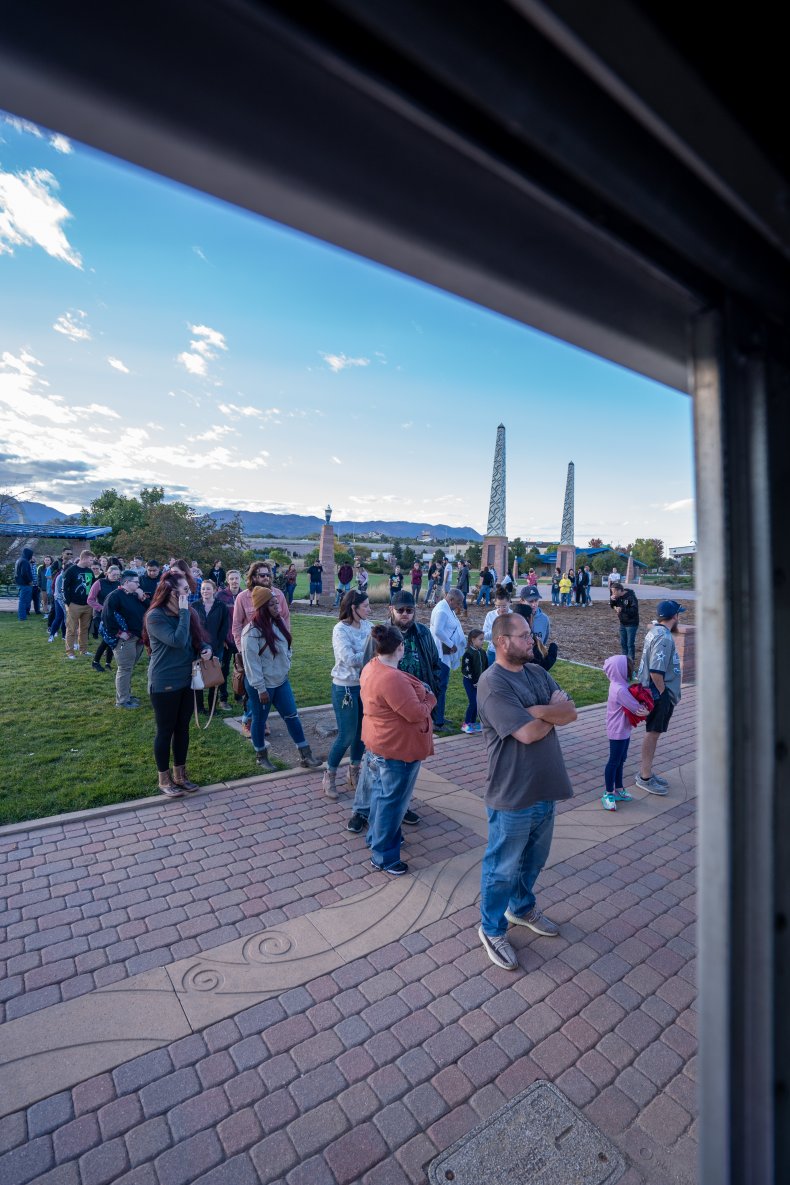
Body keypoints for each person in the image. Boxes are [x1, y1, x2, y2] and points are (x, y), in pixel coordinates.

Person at [476, 613, 577, 971]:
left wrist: (536, 711)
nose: (531, 641)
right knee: (502, 866)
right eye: (523, 636)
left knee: (533, 860)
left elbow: (570, 713)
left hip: (545, 788)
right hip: (512, 792)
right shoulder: (491, 683)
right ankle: (491, 928)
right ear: (502, 642)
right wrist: (550, 713)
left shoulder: (536, 672)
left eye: (531, 635)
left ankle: (520, 908)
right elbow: (528, 734)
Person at [346, 590, 440, 834]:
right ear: (391, 610)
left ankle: (401, 805)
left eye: (410, 610)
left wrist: (431, 700)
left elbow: (433, 665)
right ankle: (362, 809)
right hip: (386, 712)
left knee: (405, 766)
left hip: (413, 710)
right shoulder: (381, 635)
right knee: (373, 764)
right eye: (401, 610)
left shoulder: (423, 634)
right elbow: (368, 670)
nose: (406, 614)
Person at [360, 624, 436, 875]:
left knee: (382, 797)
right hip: (396, 749)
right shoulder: (391, 677)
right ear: (400, 647)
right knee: (393, 803)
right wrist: (430, 697)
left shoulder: (372, 667)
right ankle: (384, 856)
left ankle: (376, 838)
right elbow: (415, 713)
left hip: (379, 743)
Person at [143, 571, 213, 797]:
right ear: (172, 593)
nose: (190, 593)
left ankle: (180, 775)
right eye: (185, 590)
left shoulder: (187, 613)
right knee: (165, 730)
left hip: (186, 679)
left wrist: (205, 648)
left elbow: (193, 638)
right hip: (164, 682)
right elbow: (177, 640)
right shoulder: (155, 616)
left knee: (182, 728)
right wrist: (184, 612)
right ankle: (164, 779)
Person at [241, 586, 321, 772]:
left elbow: (287, 647)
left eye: (277, 602)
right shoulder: (251, 632)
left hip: (281, 680)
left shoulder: (279, 623)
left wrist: (287, 663)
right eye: (272, 604)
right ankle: (261, 756)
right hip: (261, 686)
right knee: (259, 721)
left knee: (292, 716)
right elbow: (251, 664)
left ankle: (305, 754)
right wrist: (260, 688)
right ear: (262, 607)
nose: (278, 606)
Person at [232, 562, 290, 736]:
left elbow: (285, 619)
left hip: (273, 652)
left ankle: (261, 721)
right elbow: (236, 625)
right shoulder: (243, 597)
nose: (266, 578)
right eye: (261, 575)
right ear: (253, 577)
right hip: (251, 651)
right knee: (253, 689)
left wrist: (286, 645)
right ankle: (248, 720)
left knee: (273, 687)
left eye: (268, 575)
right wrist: (242, 650)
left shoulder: (278, 595)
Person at [325, 590, 372, 800]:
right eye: (366, 606)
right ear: (353, 608)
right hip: (345, 687)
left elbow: (374, 651)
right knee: (347, 734)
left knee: (362, 733)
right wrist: (372, 653)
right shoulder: (340, 630)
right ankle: (329, 775)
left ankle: (353, 771)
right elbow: (349, 659)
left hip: (365, 685)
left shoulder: (368, 626)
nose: (369, 610)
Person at [634, 600, 685, 795]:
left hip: (653, 691)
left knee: (653, 732)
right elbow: (656, 671)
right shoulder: (663, 637)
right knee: (653, 733)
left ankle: (646, 773)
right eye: (679, 614)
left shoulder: (655, 631)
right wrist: (663, 694)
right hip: (658, 692)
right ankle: (645, 777)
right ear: (675, 616)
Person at [601, 655, 650, 811]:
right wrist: (647, 709)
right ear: (621, 670)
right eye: (628, 668)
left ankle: (619, 789)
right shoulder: (620, 689)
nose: (631, 670)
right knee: (614, 761)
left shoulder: (618, 684)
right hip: (617, 730)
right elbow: (636, 708)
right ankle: (608, 793)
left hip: (623, 729)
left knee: (621, 759)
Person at [101, 570, 149, 708]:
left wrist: (142, 597)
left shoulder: (135, 595)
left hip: (137, 637)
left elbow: (150, 608)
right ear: (127, 582)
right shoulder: (115, 596)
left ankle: (126, 695)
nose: (139, 584)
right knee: (125, 668)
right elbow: (106, 616)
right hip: (125, 639)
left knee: (129, 668)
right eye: (136, 582)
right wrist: (118, 633)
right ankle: (122, 701)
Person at [429, 587, 466, 730]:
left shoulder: (446, 607)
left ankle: (439, 715)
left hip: (443, 653)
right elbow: (438, 630)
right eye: (457, 603)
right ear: (450, 600)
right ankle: (437, 722)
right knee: (441, 687)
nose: (459, 606)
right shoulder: (442, 610)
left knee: (442, 686)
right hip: (440, 654)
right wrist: (451, 644)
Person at [194, 579, 229, 715]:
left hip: (216, 647)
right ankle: (200, 707)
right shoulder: (194, 606)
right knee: (198, 679)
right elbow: (192, 628)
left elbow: (223, 628)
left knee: (213, 679)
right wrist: (199, 647)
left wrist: (213, 648)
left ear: (214, 590)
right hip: (197, 648)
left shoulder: (221, 607)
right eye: (203, 589)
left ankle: (212, 707)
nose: (205, 591)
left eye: (208, 589)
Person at [216, 569, 242, 710]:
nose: (234, 581)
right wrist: (222, 638)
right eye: (231, 578)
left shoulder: (244, 595)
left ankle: (239, 695)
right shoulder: (220, 596)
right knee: (224, 670)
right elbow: (217, 619)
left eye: (236, 578)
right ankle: (223, 698)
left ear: (240, 579)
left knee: (240, 670)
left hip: (240, 640)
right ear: (227, 580)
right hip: (225, 641)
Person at [63, 550, 96, 657]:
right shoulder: (71, 570)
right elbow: (64, 587)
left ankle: (84, 650)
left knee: (84, 629)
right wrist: (69, 603)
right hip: (74, 605)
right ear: (85, 558)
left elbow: (91, 587)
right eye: (91, 560)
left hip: (87, 605)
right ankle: (70, 652)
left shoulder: (89, 571)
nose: (92, 562)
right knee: (71, 629)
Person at [88, 564, 121, 671]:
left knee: (112, 638)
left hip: (113, 616)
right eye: (113, 574)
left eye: (118, 575)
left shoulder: (118, 584)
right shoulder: (99, 583)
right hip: (99, 616)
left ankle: (107, 663)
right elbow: (90, 600)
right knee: (107, 639)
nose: (116, 577)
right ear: (107, 573)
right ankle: (95, 662)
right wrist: (102, 608)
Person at [522, 587, 558, 670]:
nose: (534, 604)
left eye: (536, 600)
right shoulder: (517, 617)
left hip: (537, 663)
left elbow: (544, 639)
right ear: (523, 600)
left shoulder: (544, 619)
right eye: (530, 601)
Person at [609, 580, 640, 674]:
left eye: (614, 592)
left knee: (630, 645)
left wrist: (622, 609)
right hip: (622, 623)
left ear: (619, 590)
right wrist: (612, 602)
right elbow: (612, 606)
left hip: (631, 624)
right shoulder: (617, 597)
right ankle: (624, 666)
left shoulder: (630, 597)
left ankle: (631, 667)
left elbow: (634, 611)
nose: (612, 593)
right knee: (623, 644)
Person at [461, 628, 486, 733]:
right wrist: (474, 681)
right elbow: (467, 670)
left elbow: (486, 667)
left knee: (478, 702)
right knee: (473, 702)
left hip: (479, 682)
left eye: (483, 639)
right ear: (473, 639)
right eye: (480, 639)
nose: (483, 641)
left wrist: (484, 679)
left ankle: (472, 723)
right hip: (470, 682)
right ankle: (466, 725)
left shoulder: (482, 652)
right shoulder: (468, 654)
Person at [483, 585, 512, 666]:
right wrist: (498, 626)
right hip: (493, 651)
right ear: (495, 603)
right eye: (498, 606)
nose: (501, 609)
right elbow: (484, 636)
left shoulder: (513, 615)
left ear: (509, 602)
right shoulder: (490, 615)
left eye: (504, 606)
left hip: (509, 652)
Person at [14, 547, 35, 621]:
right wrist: (29, 581)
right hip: (25, 584)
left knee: (23, 600)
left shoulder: (19, 560)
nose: (32, 556)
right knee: (23, 601)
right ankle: (22, 617)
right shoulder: (25, 561)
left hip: (20, 583)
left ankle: (23, 616)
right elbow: (24, 573)